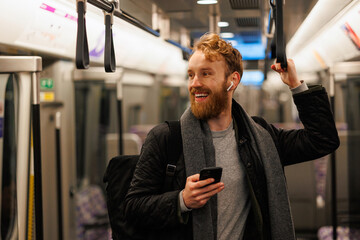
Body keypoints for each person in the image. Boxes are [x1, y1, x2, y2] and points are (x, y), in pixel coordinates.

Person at [124, 33, 339, 240]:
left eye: (206, 73)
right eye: (191, 74)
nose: (194, 83)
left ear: (232, 81)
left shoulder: (260, 137)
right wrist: (182, 200)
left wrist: (296, 85)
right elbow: (133, 208)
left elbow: (322, 140)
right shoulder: (166, 138)